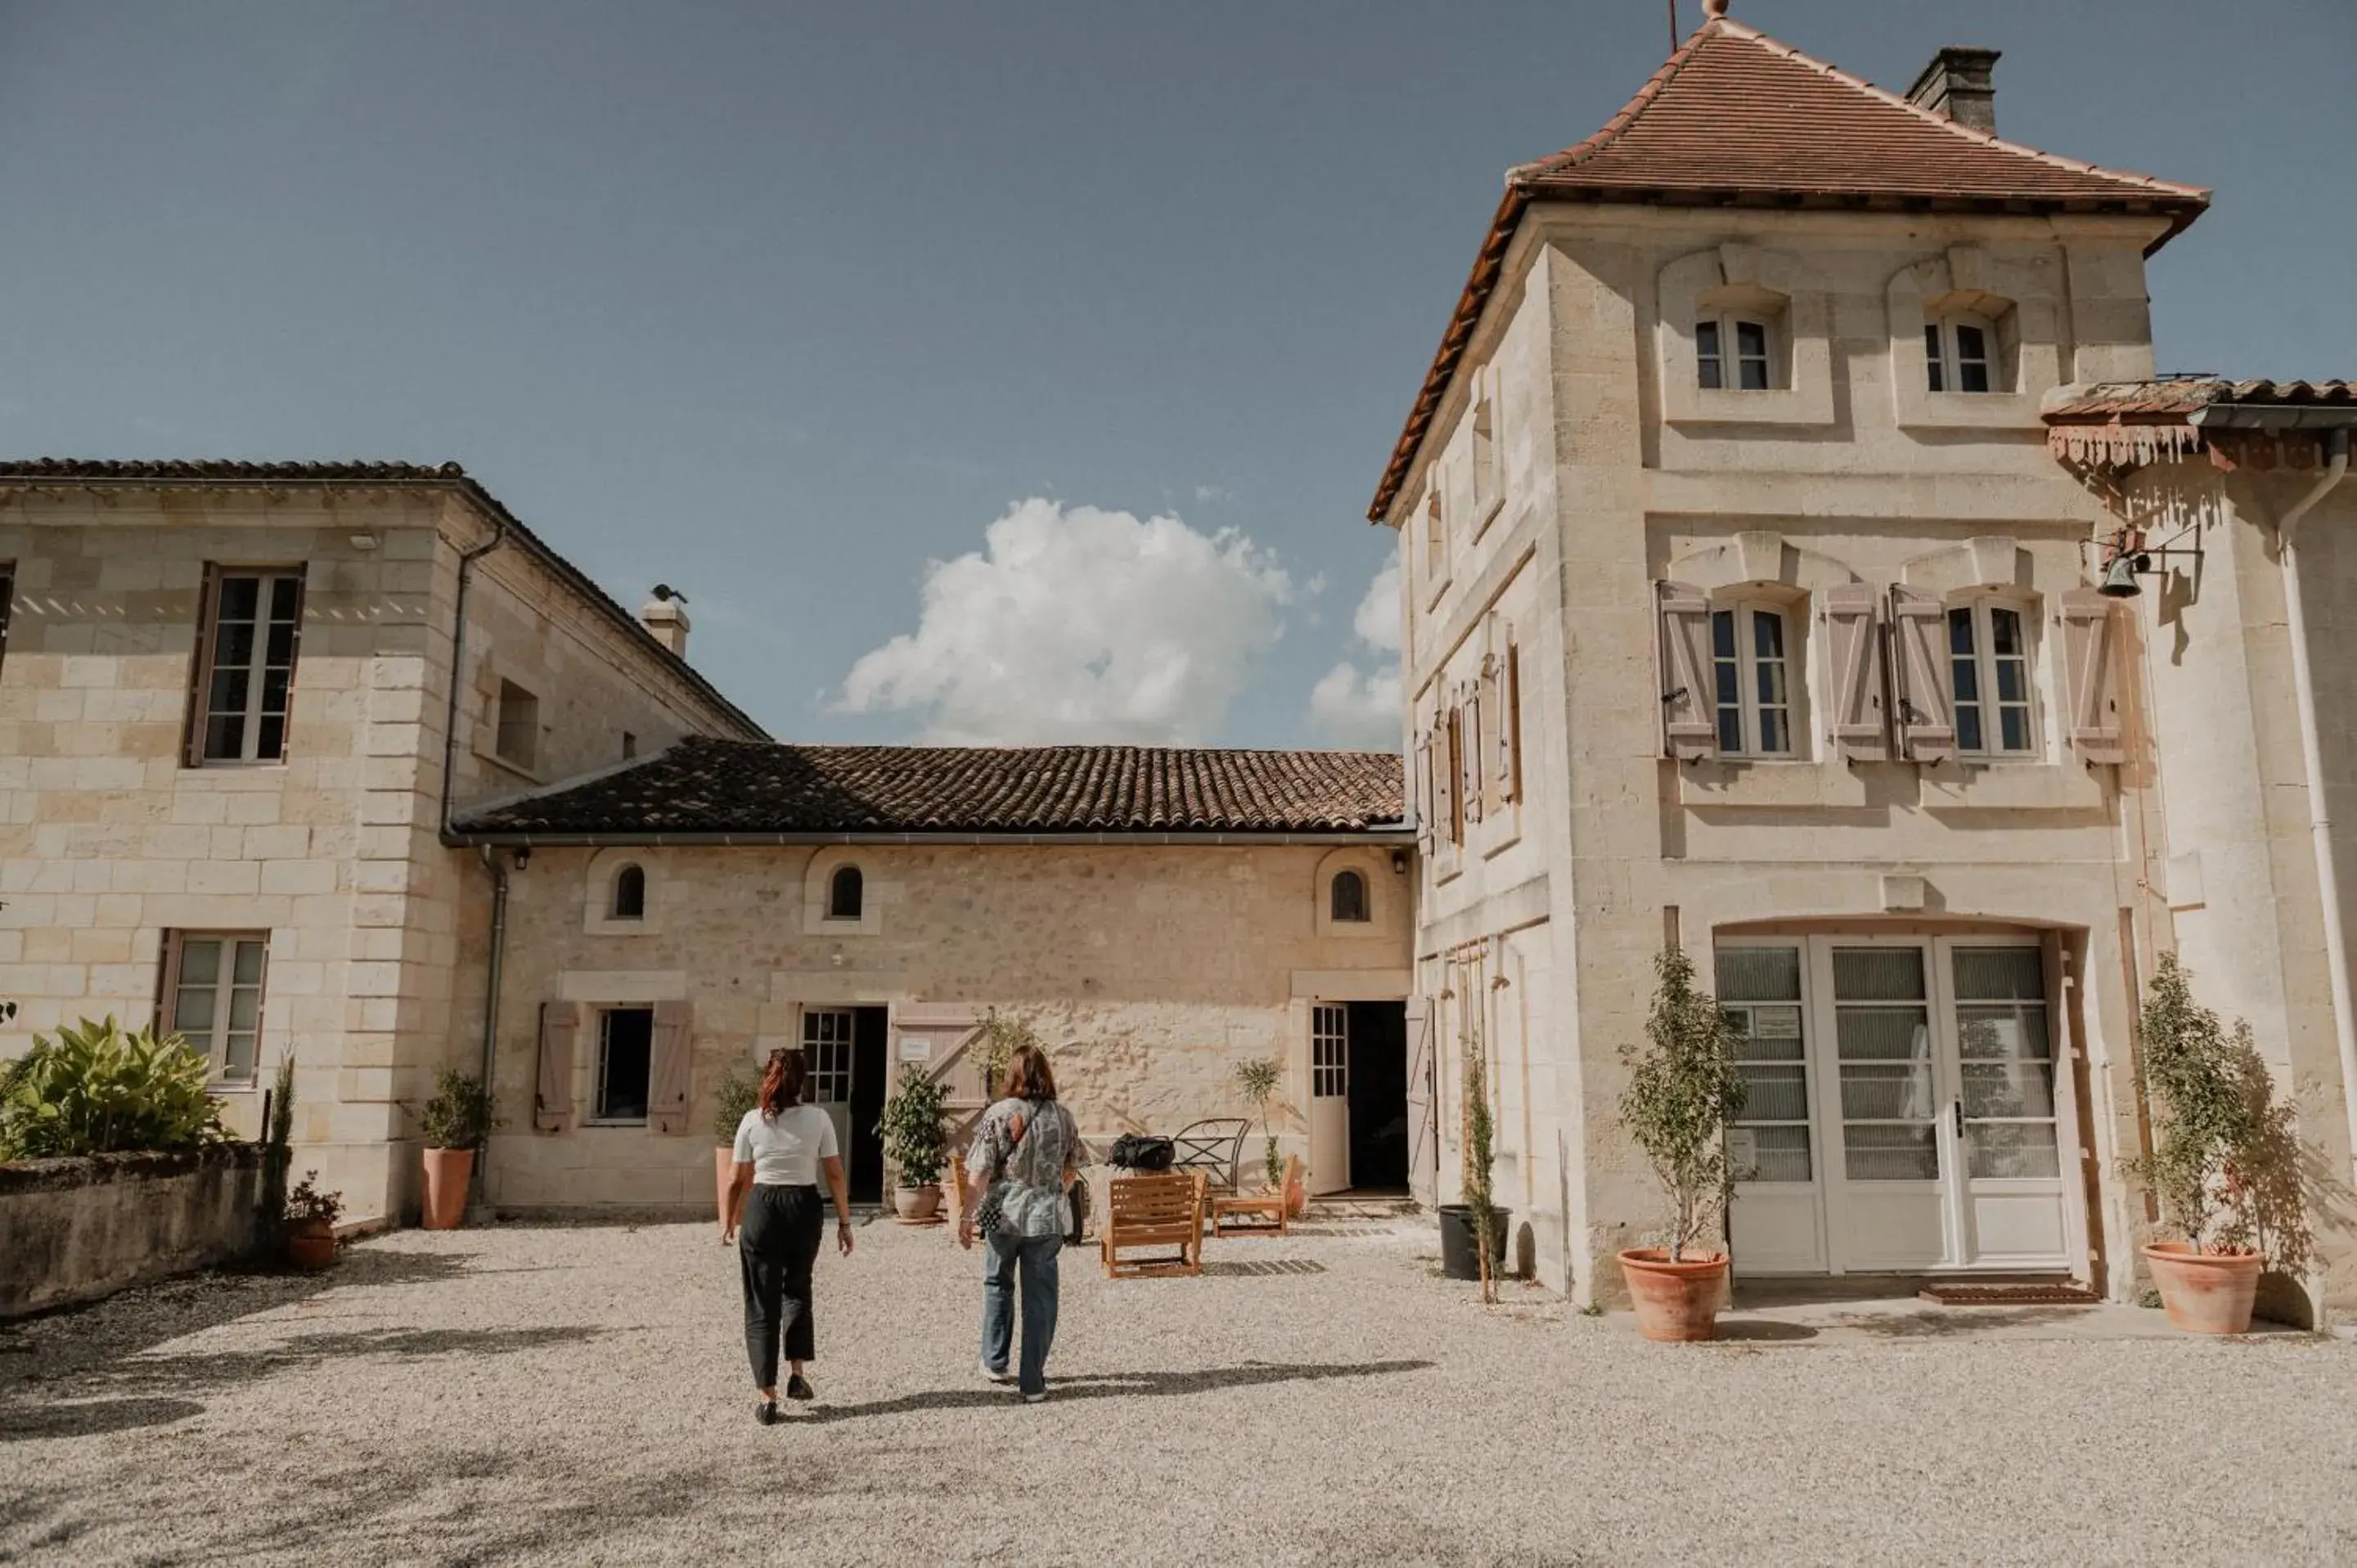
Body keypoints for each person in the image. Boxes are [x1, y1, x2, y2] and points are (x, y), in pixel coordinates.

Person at [722, 1047, 852, 1425]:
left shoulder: (752, 1120)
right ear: (802, 1081)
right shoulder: (819, 1119)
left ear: (769, 1077)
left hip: (763, 1207)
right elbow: (836, 1174)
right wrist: (845, 1223)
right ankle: (797, 1375)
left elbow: (735, 1178)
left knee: (762, 1302)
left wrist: (729, 1220)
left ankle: (767, 1396)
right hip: (803, 1206)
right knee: (797, 1287)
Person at [959, 1043, 1082, 1404]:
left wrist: (967, 1215)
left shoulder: (997, 1114)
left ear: (1012, 1074)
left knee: (998, 1283)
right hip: (1045, 1214)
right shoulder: (1063, 1116)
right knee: (1041, 1297)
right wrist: (1053, 1190)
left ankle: (995, 1361)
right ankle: (1033, 1381)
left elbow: (979, 1172)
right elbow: (1072, 1170)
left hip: (1003, 1213)